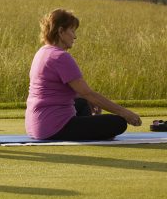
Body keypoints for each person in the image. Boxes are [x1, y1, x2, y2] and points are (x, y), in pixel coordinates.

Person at [25, 8, 142, 140]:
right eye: (72, 31)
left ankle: (88, 126)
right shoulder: (60, 57)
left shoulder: (43, 52)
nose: (75, 36)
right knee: (118, 123)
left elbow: (62, 91)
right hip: (54, 128)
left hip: (36, 125)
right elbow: (88, 93)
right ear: (61, 31)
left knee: (83, 102)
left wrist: (87, 99)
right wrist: (124, 112)